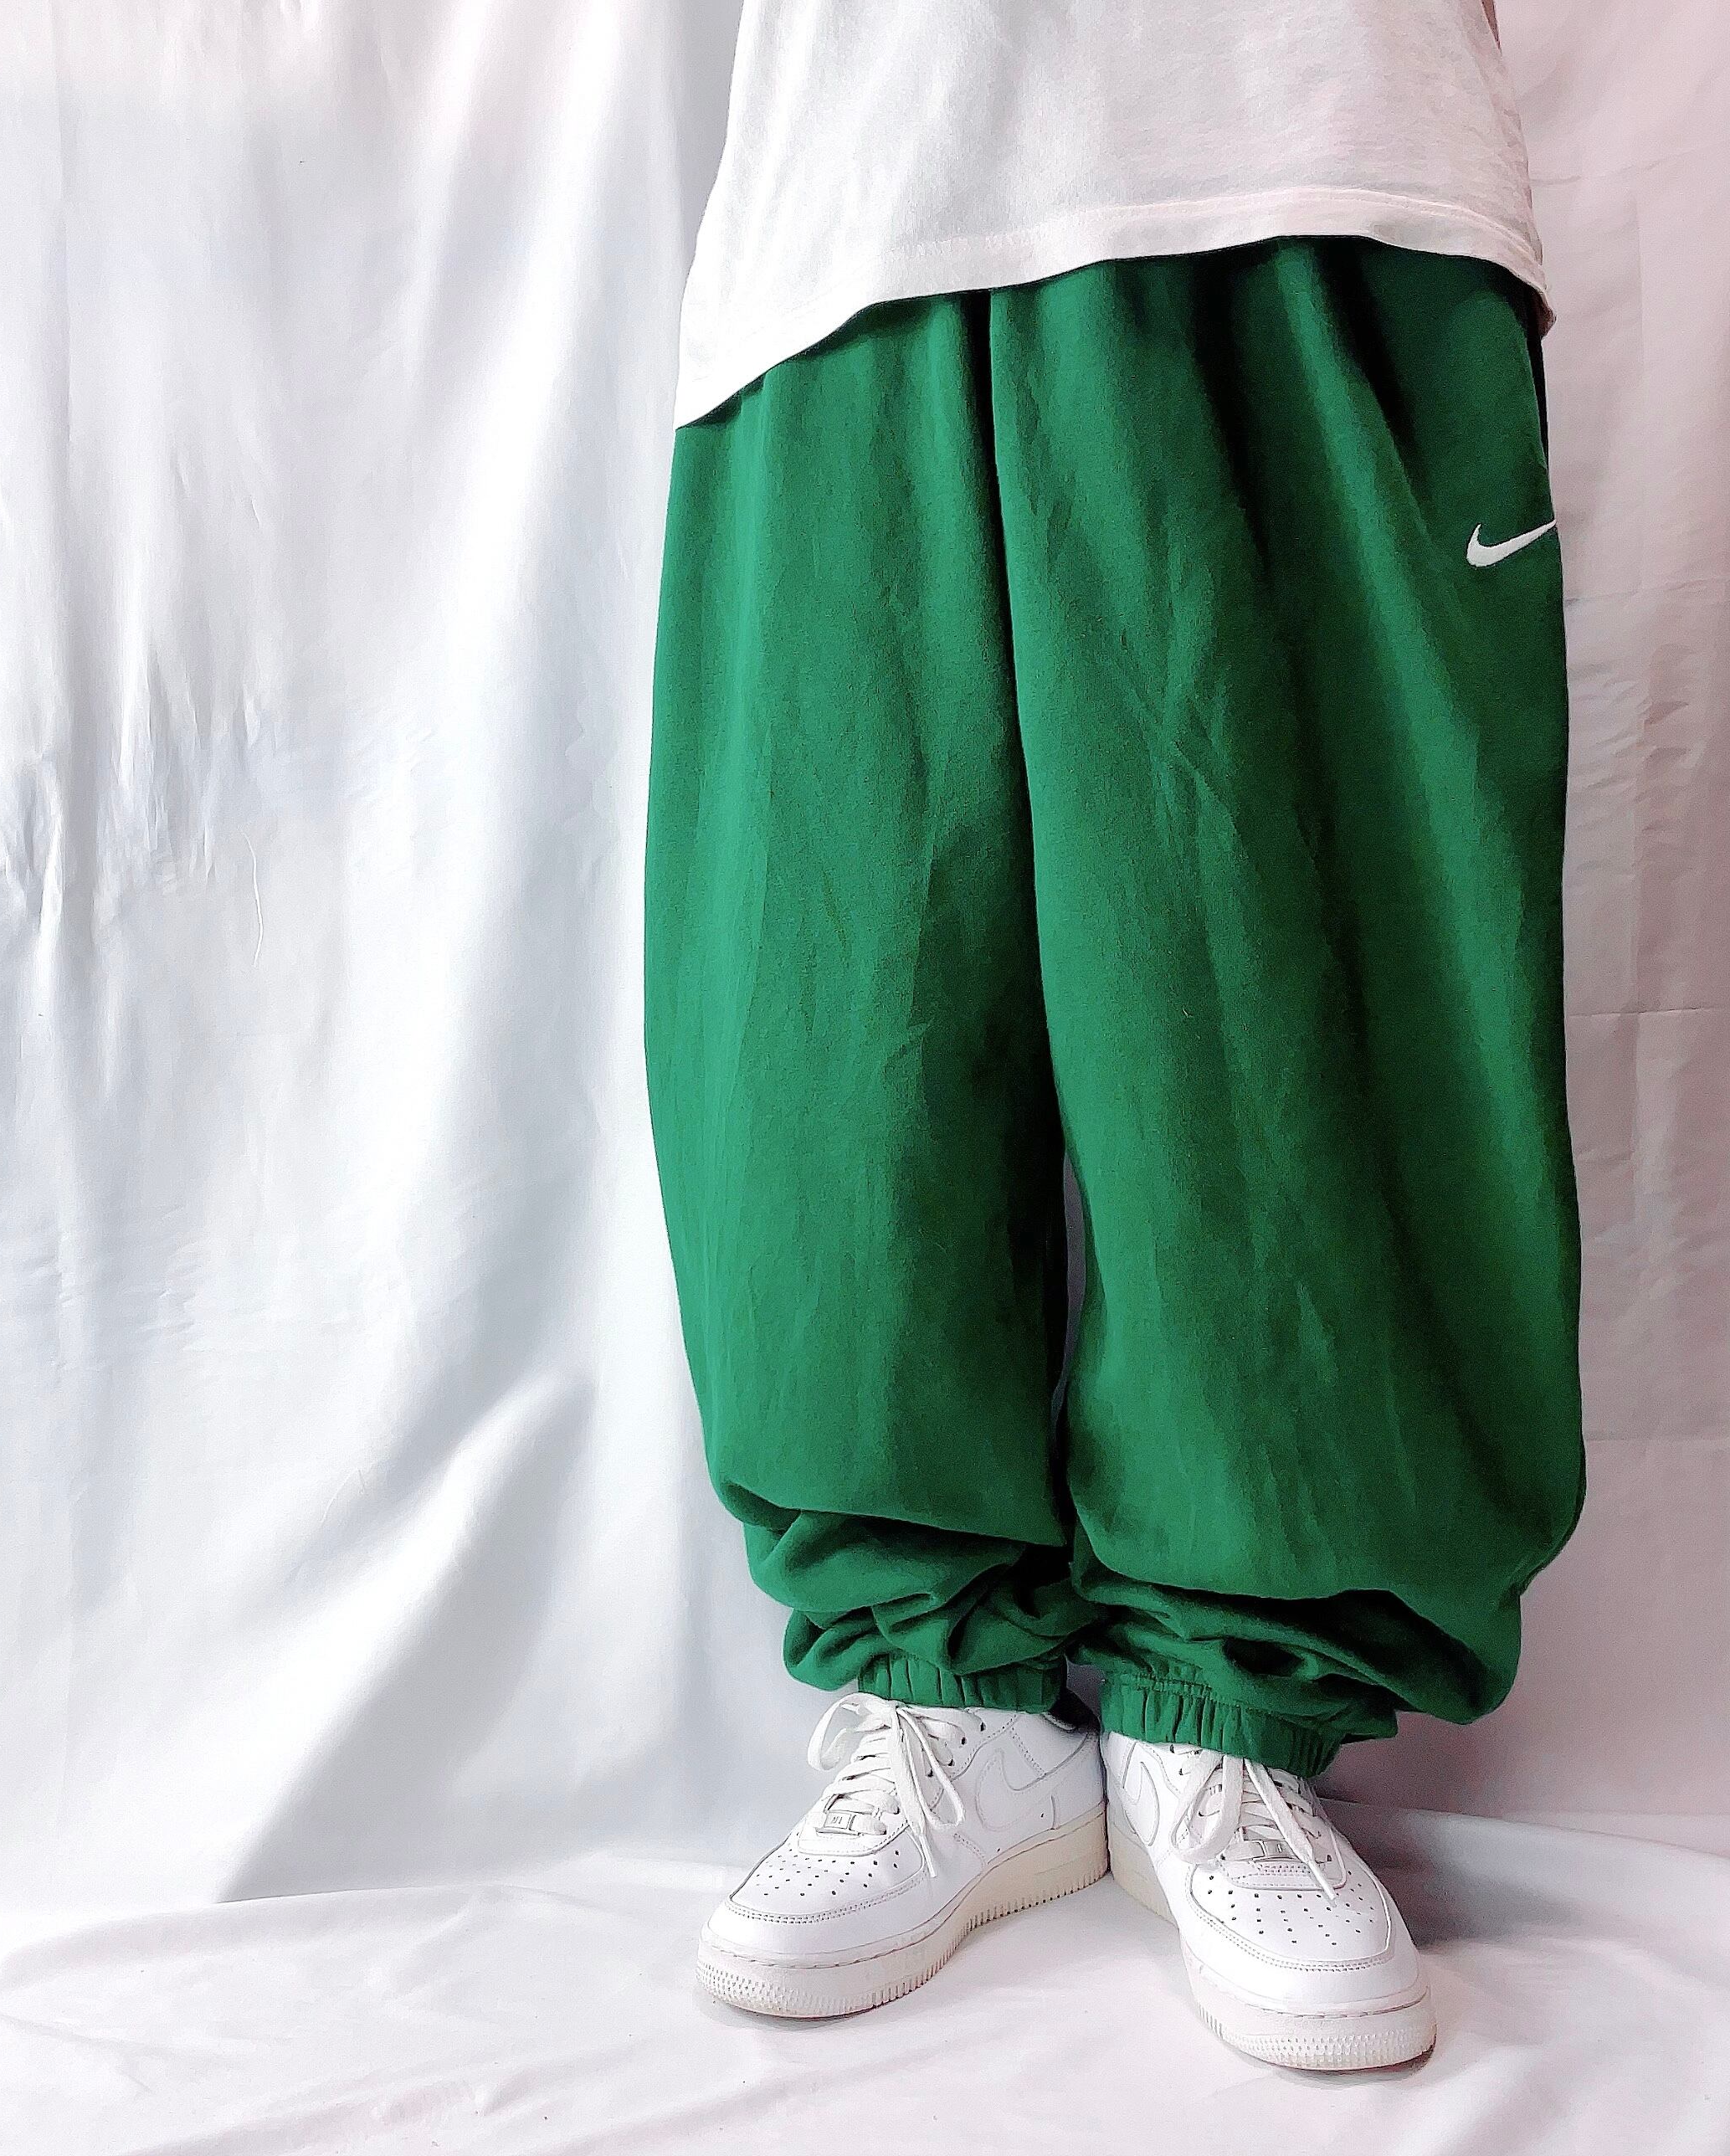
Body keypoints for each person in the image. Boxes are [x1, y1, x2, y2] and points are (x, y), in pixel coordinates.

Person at [643, 0, 1584, 2071]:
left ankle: (1233, 1717)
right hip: (856, 190)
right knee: (832, 1017)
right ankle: (947, 1705)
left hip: (1316, 144)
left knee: (1296, 1025)